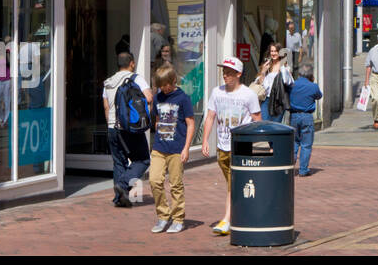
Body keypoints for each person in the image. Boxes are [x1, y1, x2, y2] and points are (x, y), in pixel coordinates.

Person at [200, 57, 261, 235]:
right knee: (233, 184)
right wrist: (205, 140)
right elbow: (210, 116)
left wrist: (259, 147)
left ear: (239, 74)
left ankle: (227, 219)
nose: (225, 75)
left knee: (232, 184)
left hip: (241, 147)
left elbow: (258, 120)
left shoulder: (248, 95)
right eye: (224, 71)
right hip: (222, 146)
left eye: (229, 72)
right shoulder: (217, 92)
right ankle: (245, 213)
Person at [102, 51, 153, 209]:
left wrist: (111, 124)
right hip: (129, 128)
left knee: (119, 163)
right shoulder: (136, 78)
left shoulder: (108, 82)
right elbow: (149, 98)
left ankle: (119, 198)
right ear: (131, 63)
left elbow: (105, 106)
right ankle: (123, 186)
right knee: (143, 159)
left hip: (112, 127)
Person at [149, 63, 195, 233]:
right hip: (159, 147)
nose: (163, 88)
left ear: (173, 80)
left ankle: (178, 219)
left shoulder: (183, 98)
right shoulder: (158, 97)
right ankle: (163, 216)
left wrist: (186, 148)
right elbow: (156, 119)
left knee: (176, 185)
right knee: (154, 180)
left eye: (165, 85)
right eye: (160, 86)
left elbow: (190, 124)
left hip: (177, 148)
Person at [289, 62, 322, 176]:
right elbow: (319, 96)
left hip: (293, 116)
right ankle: (303, 170)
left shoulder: (292, 85)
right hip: (307, 116)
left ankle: (290, 167)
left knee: (294, 142)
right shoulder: (313, 86)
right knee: (306, 144)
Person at [259, 43, 293, 123]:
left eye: (275, 51)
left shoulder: (285, 66)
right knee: (264, 123)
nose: (273, 53)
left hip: (278, 100)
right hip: (266, 99)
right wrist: (263, 72)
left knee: (275, 125)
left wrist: (283, 70)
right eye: (271, 51)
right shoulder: (267, 65)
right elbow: (261, 83)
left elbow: (289, 82)